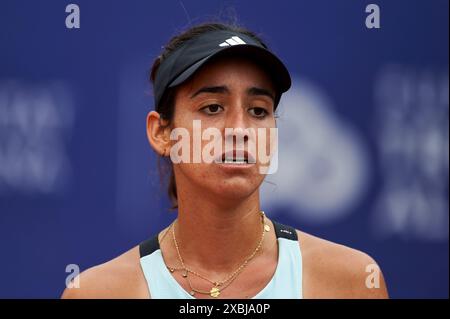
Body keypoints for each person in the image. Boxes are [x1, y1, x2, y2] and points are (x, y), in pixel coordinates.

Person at [62, 22, 388, 299]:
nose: (239, 129)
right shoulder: (97, 291)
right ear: (162, 133)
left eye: (258, 110)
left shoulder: (352, 281)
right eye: (212, 108)